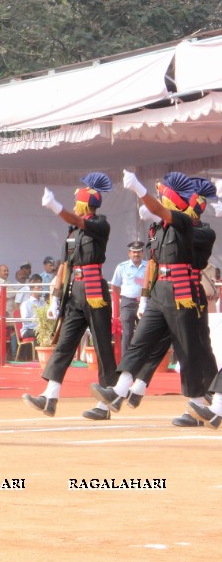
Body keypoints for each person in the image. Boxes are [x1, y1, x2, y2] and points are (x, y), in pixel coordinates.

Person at [92, 171, 213, 416]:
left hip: (182, 291)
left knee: (188, 349)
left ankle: (198, 404)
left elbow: (162, 210)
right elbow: (154, 263)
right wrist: (145, 296)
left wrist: (139, 190)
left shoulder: (184, 222)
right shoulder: (160, 228)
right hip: (160, 290)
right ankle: (119, 390)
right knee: (140, 340)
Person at [23, 173, 118, 419]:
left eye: (77, 201)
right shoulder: (72, 230)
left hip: (95, 290)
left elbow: (78, 219)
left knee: (101, 347)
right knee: (64, 344)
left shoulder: (100, 224)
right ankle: (49, 396)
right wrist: (55, 297)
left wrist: (55, 207)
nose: (74, 205)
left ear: (86, 204)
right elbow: (64, 264)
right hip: (74, 291)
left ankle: (105, 403)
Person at [131, 178, 218, 426]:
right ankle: (200, 402)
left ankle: (205, 400)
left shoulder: (201, 232)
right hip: (170, 293)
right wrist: (146, 297)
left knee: (196, 348)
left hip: (189, 295)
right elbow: (156, 263)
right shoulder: (171, 229)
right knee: (186, 347)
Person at [110, 240, 147, 355]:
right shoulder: (122, 267)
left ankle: (141, 361)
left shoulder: (148, 266)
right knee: (127, 334)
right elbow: (115, 286)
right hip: (127, 303)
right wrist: (121, 299)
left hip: (144, 302)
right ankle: (126, 364)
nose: (136, 254)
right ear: (129, 253)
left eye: (139, 252)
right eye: (134, 252)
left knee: (144, 332)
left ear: (142, 253)